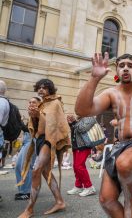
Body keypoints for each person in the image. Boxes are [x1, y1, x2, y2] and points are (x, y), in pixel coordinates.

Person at [75, 43, 132, 218]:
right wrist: (94, 78)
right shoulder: (111, 93)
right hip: (121, 146)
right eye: (122, 66)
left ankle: (129, 201)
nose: (126, 69)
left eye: (130, 66)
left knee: (124, 163)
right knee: (106, 200)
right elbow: (82, 110)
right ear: (116, 71)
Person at [18, 79, 71, 218]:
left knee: (36, 170)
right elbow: (37, 128)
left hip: (49, 141)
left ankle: (29, 209)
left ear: (50, 89)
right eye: (39, 87)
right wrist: (34, 116)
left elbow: (55, 124)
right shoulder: (42, 104)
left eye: (45, 87)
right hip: (40, 140)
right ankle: (60, 201)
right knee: (45, 172)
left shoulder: (55, 103)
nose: (41, 90)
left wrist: (38, 114)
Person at [15, 97, 40, 201]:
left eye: (34, 102)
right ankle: (23, 190)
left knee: (26, 166)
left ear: (39, 104)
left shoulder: (40, 114)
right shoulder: (30, 115)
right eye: (29, 102)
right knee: (18, 166)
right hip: (26, 141)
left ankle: (26, 192)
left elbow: (34, 130)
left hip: (32, 141)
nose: (31, 104)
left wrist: (19, 123)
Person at [66, 115, 96, 196]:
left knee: (79, 166)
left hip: (84, 146)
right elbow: (75, 131)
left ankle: (89, 187)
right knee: (76, 167)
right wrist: (71, 123)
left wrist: (75, 121)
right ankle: (78, 186)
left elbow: (82, 129)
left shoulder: (90, 117)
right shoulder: (80, 119)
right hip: (77, 146)